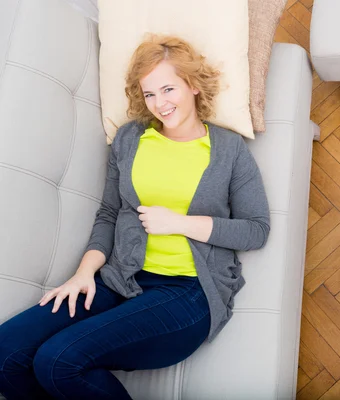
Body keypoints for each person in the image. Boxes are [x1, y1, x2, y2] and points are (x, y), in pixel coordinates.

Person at [0, 35, 269, 400]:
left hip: (187, 294)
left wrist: (180, 223)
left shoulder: (228, 149)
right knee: (6, 354)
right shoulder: (130, 139)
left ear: (192, 85)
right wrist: (84, 273)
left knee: (57, 360)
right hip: (119, 280)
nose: (160, 103)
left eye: (168, 88)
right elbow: (110, 213)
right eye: (149, 94)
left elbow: (256, 230)